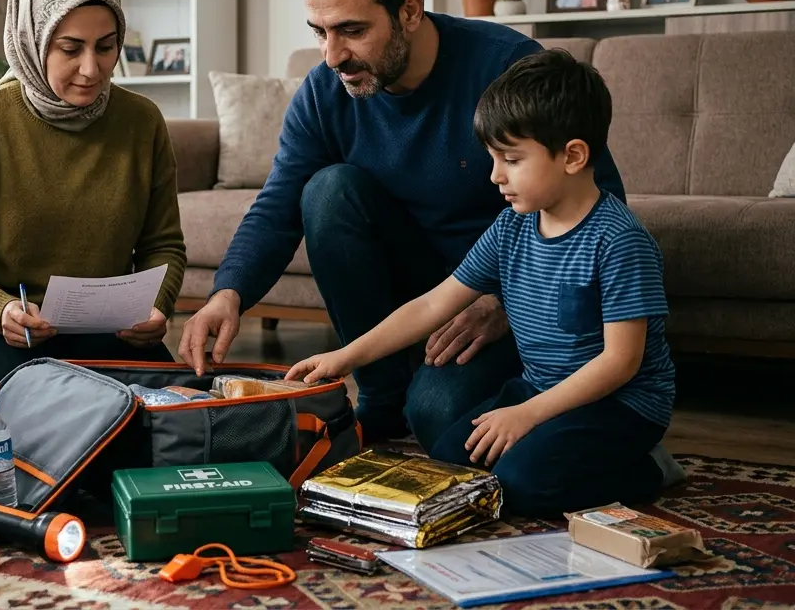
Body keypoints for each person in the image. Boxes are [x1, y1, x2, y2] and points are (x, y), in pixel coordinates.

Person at [179, 0, 628, 454]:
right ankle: (382, 396)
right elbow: (278, 206)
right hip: (412, 293)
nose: (332, 57)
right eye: (320, 33)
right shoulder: (326, 92)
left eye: (352, 30)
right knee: (326, 190)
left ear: (410, 10)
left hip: (497, 297)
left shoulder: (507, 70)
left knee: (438, 417)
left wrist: (505, 303)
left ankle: (478, 397)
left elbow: (599, 199)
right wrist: (227, 294)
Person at [286, 49, 680, 517]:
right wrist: (343, 357)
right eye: (493, 158)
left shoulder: (619, 241)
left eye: (511, 160)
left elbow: (620, 362)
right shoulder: (512, 227)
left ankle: (651, 469)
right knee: (453, 461)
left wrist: (527, 415)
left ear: (572, 156)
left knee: (519, 486)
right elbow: (433, 305)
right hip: (540, 389)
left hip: (620, 406)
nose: (496, 176)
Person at [0, 0, 187, 399]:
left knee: (177, 411)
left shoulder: (142, 122)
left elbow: (163, 245)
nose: (92, 69)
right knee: (55, 416)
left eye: (106, 47)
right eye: (70, 48)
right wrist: (1, 308)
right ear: (33, 39)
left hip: (107, 330)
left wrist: (156, 306)